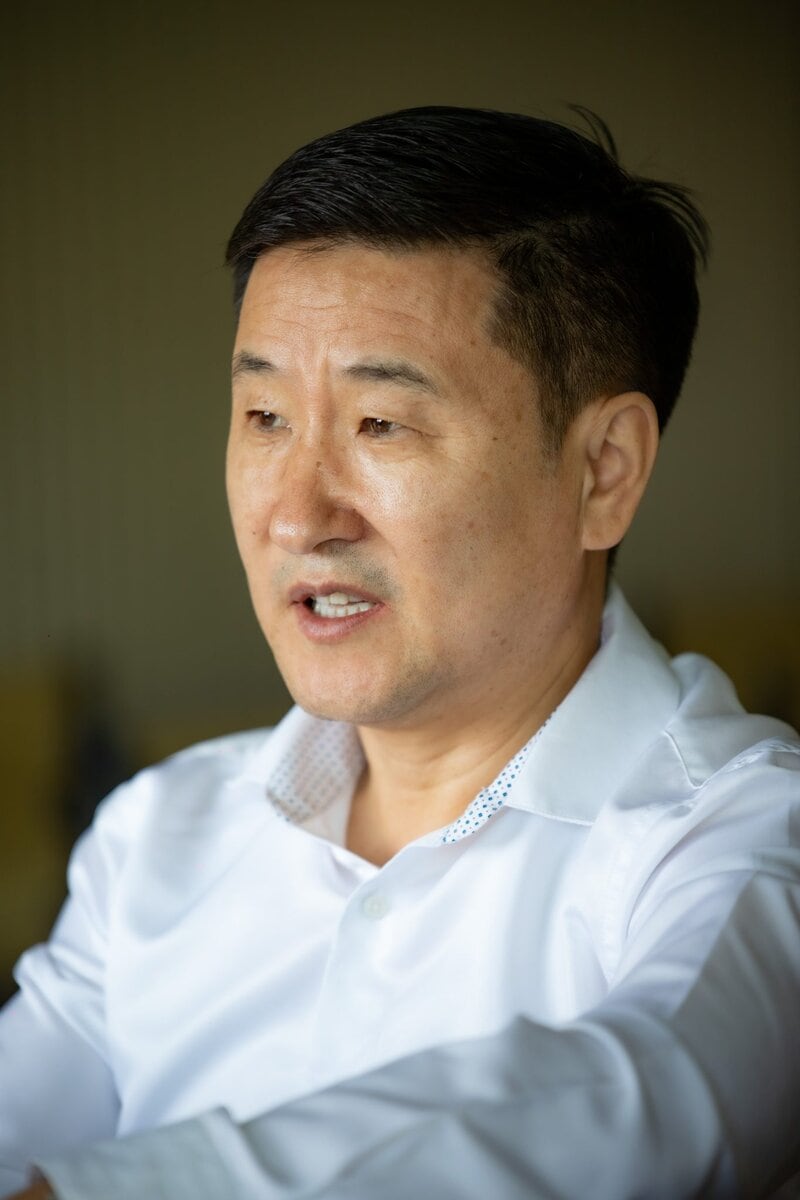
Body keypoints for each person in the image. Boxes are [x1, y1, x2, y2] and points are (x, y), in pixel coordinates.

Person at [2, 106, 799, 1200]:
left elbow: (655, 1097)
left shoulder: (741, 839)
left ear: (603, 470)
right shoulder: (154, 839)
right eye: (265, 415)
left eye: (381, 425)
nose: (295, 513)